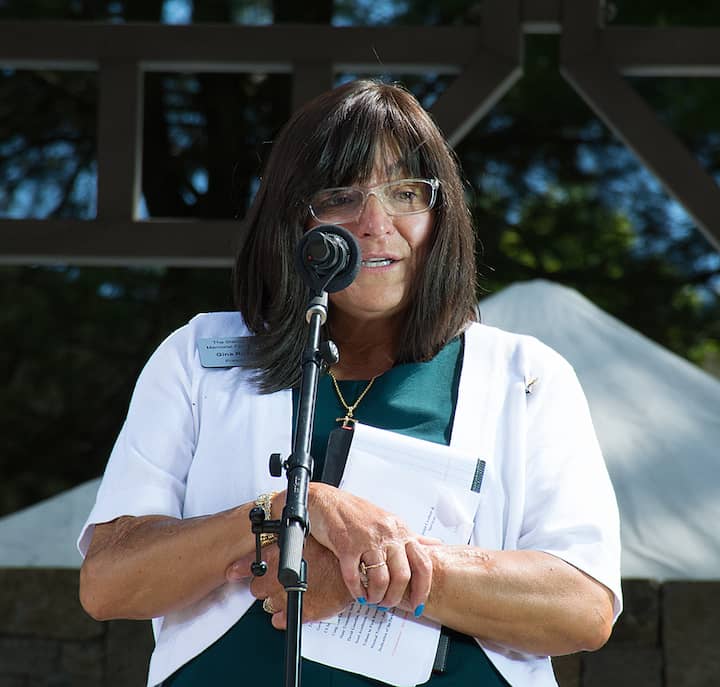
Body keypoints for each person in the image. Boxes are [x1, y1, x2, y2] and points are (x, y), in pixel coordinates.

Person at [77, 79, 622, 687]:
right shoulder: (199, 357)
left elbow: (582, 605)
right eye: (340, 196)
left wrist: (372, 567)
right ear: (289, 219)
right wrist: (281, 517)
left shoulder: (525, 375)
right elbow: (109, 581)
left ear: (441, 217)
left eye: (405, 193)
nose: (375, 223)